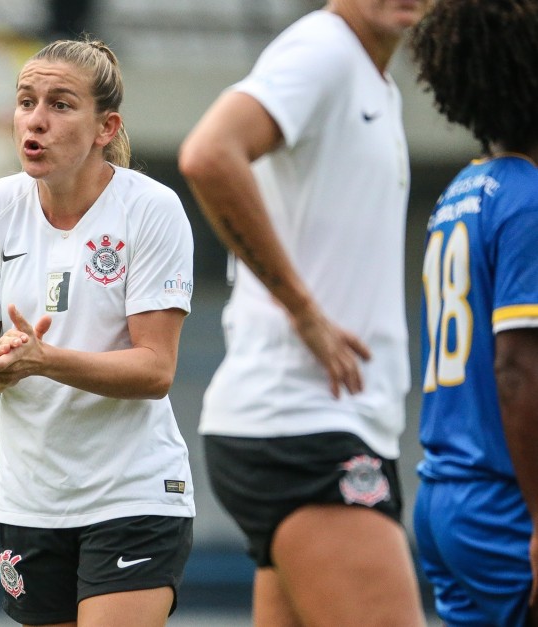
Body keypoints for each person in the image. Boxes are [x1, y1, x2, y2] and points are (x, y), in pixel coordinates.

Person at [178, 1, 428, 625]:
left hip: (316, 424)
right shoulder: (324, 50)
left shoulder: (374, 81)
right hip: (304, 427)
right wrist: (303, 309)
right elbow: (209, 153)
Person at [0, 37, 195, 627]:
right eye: (26, 100)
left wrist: (42, 359)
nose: (36, 120)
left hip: (133, 495)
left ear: (105, 127)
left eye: (60, 104)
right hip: (30, 501)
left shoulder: (150, 209)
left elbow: (155, 370)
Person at [409, 1, 538, 625]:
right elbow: (516, 371)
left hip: (443, 494)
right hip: (506, 504)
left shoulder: (461, 191)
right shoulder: (529, 199)